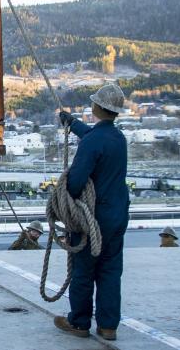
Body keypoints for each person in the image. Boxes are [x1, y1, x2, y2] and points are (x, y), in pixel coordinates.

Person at [53, 83, 129, 342]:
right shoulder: (118, 138)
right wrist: (72, 124)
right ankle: (108, 326)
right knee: (110, 270)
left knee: (83, 271)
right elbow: (94, 137)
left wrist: (65, 203)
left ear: (97, 107)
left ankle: (80, 322)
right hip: (117, 216)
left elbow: (75, 183)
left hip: (92, 218)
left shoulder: (94, 141)